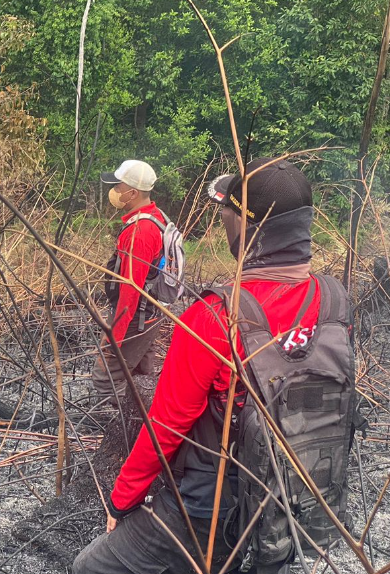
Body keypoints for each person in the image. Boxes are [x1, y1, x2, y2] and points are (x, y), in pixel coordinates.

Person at [73, 158, 355, 574]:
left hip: (212, 508)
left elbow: (167, 426)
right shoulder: (335, 300)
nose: (222, 218)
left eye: (227, 211)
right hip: (296, 500)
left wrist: (123, 499)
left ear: (244, 225)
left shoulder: (215, 315)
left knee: (89, 567)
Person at [94, 160, 171, 404]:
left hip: (135, 317)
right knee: (140, 374)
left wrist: (113, 336)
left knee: (105, 378)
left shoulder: (141, 231)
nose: (115, 191)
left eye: (119, 186)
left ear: (133, 193)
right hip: (148, 315)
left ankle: (115, 432)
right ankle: (142, 421)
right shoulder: (155, 217)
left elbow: (131, 289)